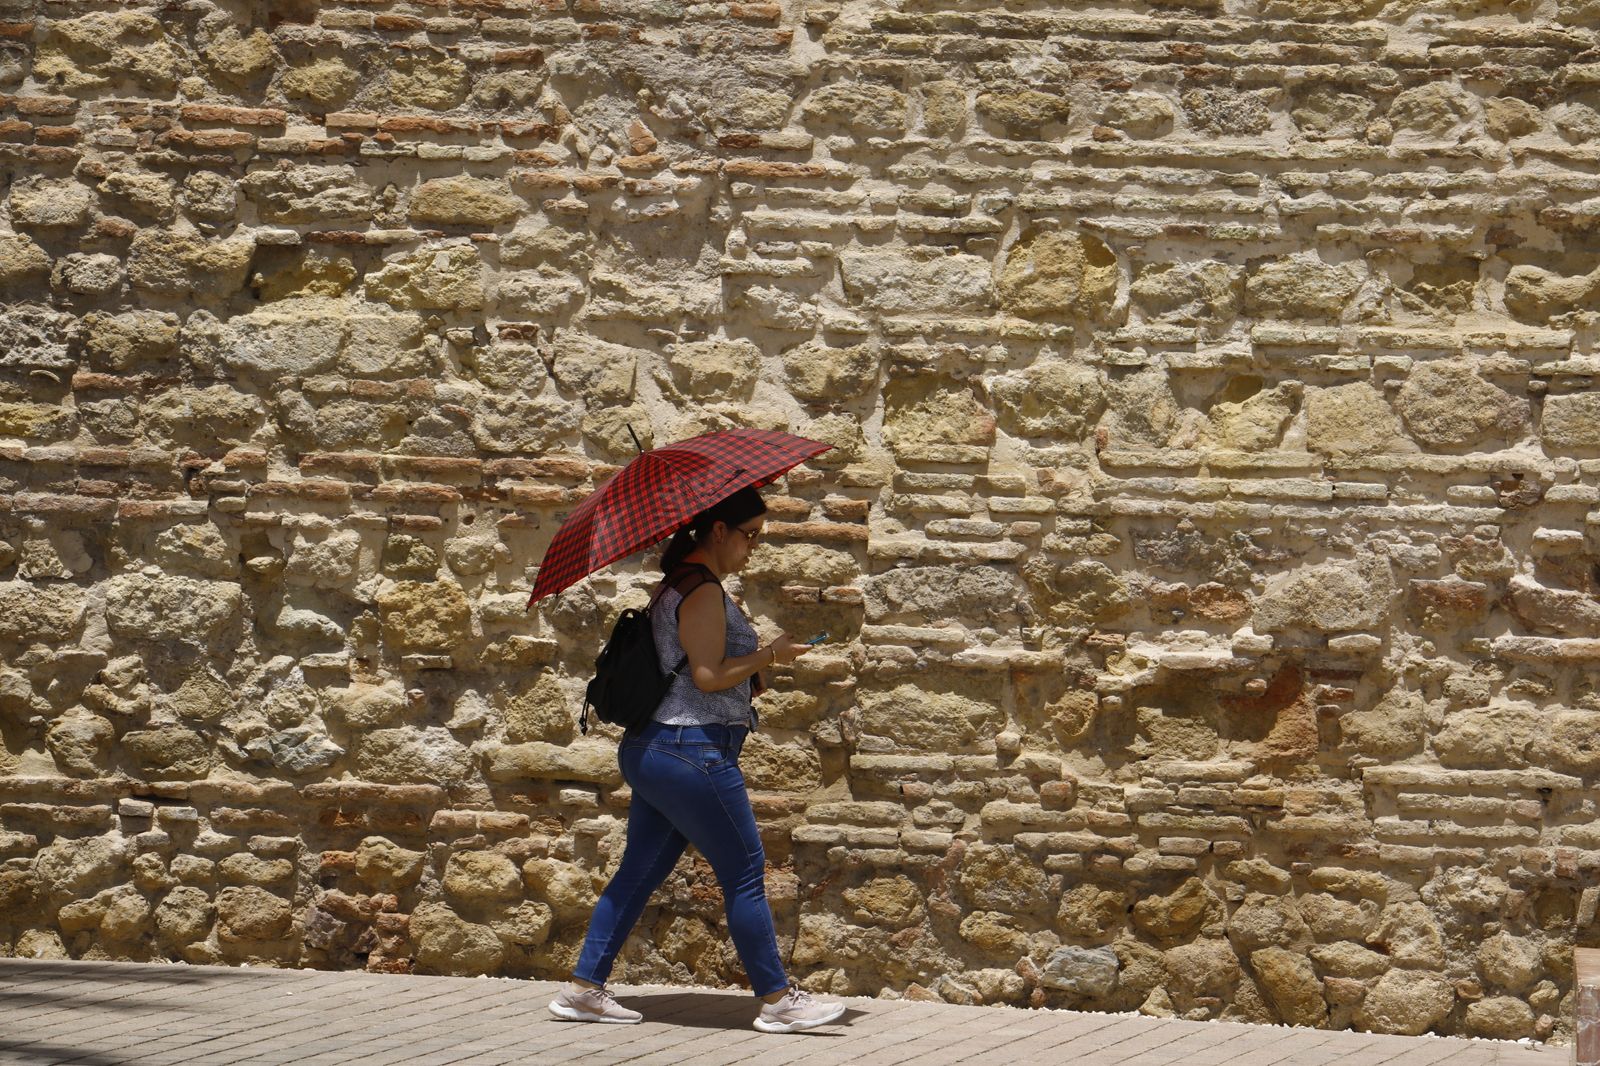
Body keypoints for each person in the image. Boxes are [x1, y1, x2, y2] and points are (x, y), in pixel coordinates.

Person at [547, 487, 848, 1033]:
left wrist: (757, 668)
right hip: (691, 751)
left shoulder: (679, 585)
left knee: (639, 871)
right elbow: (708, 677)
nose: (753, 547)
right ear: (718, 532)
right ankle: (780, 1001)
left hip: (658, 749)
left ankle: (584, 990)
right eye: (749, 535)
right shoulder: (703, 591)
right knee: (747, 872)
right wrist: (769, 654)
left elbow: (702, 676)